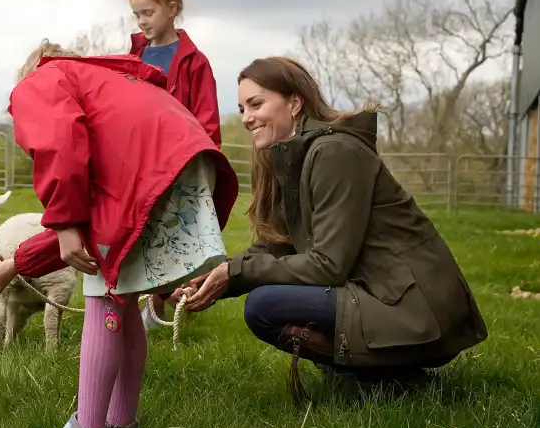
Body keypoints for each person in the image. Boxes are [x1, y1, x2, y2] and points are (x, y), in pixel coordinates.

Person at [0, 40, 239, 428]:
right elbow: (95, 223)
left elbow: (59, 141)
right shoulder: (113, 91)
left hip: (153, 172)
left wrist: (66, 221)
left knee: (104, 298)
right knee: (124, 297)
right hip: (185, 164)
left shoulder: (43, 79)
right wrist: (18, 263)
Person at [182, 56, 488, 404]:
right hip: (381, 293)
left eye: (256, 103)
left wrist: (235, 274)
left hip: (417, 307)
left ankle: (391, 378)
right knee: (266, 299)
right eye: (242, 108)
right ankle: (375, 373)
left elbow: (328, 264)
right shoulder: (293, 155)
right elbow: (281, 244)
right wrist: (214, 278)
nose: (247, 117)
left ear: (294, 102)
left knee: (265, 306)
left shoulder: (334, 152)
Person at [124, 0, 222, 330]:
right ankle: (138, 307)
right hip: (140, 162)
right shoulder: (133, 57)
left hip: (179, 162)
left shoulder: (194, 62)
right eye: (136, 14)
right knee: (139, 232)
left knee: (174, 233)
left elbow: (208, 121)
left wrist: (198, 162)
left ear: (172, 8)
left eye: (147, 13)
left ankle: (172, 304)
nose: (141, 21)